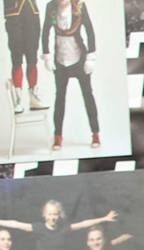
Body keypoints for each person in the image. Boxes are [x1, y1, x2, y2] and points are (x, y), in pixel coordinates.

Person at [41, 0, 100, 150]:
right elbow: (46, 30)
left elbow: (90, 31)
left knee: (88, 95)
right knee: (60, 98)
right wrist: (47, 55)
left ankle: (95, 133)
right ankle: (58, 136)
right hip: (60, 60)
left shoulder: (80, 6)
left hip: (79, 58)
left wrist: (91, 58)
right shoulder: (51, 6)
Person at [4, 0, 48, 113]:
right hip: (13, 13)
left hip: (31, 12)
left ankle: (34, 98)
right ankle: (18, 100)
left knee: (32, 58)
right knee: (16, 58)